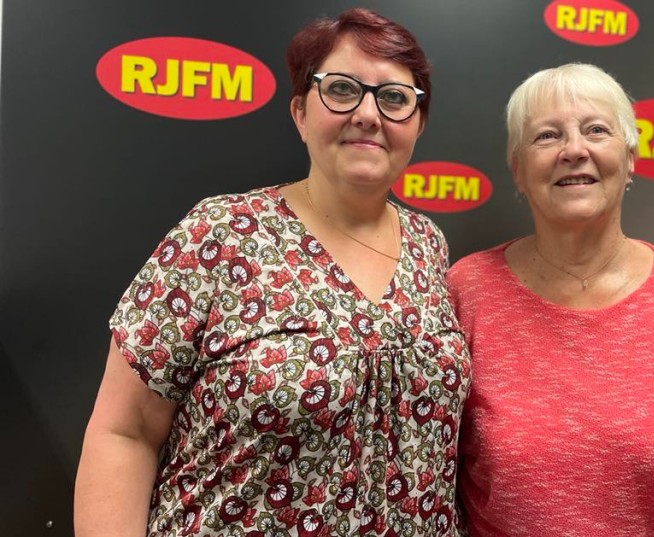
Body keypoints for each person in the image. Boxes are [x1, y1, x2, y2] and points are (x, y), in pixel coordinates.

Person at [75, 8, 470, 537]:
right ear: (301, 113)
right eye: (342, 89)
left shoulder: (429, 244)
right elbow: (125, 432)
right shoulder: (221, 233)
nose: (368, 114)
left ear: (418, 123)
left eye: (395, 98)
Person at [447, 63, 654, 536]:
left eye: (596, 130)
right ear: (518, 171)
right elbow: (432, 478)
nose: (574, 150)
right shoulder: (467, 290)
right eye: (547, 136)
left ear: (631, 157)